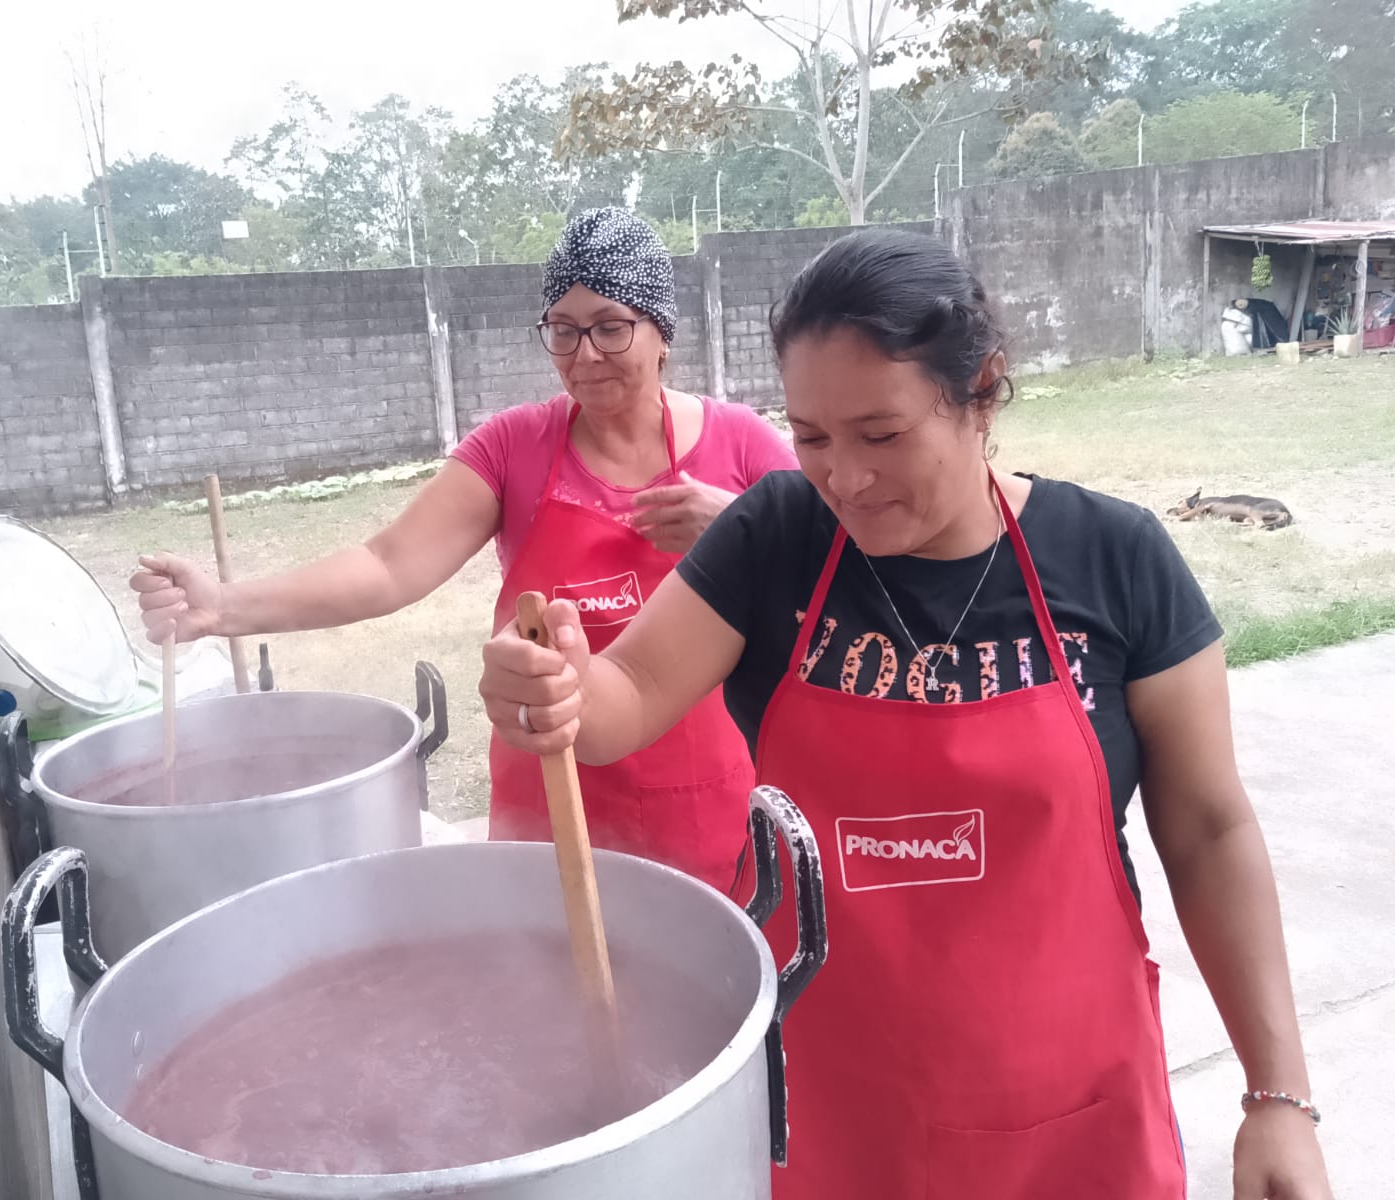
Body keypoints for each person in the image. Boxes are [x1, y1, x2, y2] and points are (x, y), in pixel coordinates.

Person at [479, 229, 1332, 1199]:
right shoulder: (776, 537)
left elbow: (1210, 830)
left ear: (981, 392)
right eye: (811, 437)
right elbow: (625, 694)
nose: (843, 478)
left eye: (880, 435)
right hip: (831, 1114)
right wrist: (558, 688)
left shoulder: (1115, 558)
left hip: (1070, 1117)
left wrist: (1278, 1097)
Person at [131, 206, 795, 891]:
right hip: (549, 805)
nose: (584, 355)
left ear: (661, 332)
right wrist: (222, 608)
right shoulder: (514, 449)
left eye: (609, 327)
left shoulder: (741, 445)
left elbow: (834, 568)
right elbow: (388, 565)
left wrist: (743, 528)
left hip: (705, 807)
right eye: (562, 330)